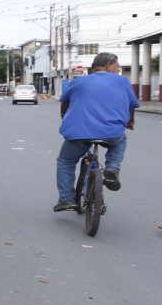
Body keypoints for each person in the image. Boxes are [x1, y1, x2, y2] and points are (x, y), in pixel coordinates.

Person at [53, 52, 139, 212]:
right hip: (111, 133)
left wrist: (64, 118)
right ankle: (112, 167)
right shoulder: (122, 82)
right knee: (121, 140)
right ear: (109, 65)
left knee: (66, 161)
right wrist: (130, 120)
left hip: (78, 133)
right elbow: (131, 105)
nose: (118, 70)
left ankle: (66, 199)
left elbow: (65, 103)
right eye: (117, 66)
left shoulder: (77, 82)